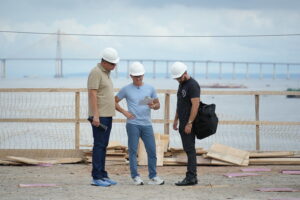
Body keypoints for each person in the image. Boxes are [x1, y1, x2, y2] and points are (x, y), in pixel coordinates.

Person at [115, 61, 164, 185]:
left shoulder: (150, 88)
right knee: (132, 151)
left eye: (141, 75)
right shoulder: (126, 89)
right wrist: (124, 112)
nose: (139, 78)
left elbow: (158, 105)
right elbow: (113, 101)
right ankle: (135, 176)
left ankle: (153, 176)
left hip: (147, 124)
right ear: (131, 76)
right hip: (133, 124)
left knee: (152, 151)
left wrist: (153, 106)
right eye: (136, 76)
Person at [87, 47, 119, 187]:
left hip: (107, 115)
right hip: (100, 117)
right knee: (99, 146)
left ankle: (103, 175)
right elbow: (92, 94)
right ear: (104, 62)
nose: (114, 66)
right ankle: (96, 177)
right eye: (112, 64)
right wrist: (95, 116)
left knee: (103, 146)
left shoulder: (106, 73)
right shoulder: (96, 72)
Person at [170, 61, 200, 186]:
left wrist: (190, 123)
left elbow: (195, 105)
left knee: (190, 150)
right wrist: (176, 119)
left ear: (185, 73)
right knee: (188, 149)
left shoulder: (193, 85)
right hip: (182, 121)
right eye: (176, 78)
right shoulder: (181, 84)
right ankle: (192, 177)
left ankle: (191, 177)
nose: (177, 80)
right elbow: (180, 103)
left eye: (178, 77)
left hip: (189, 123)